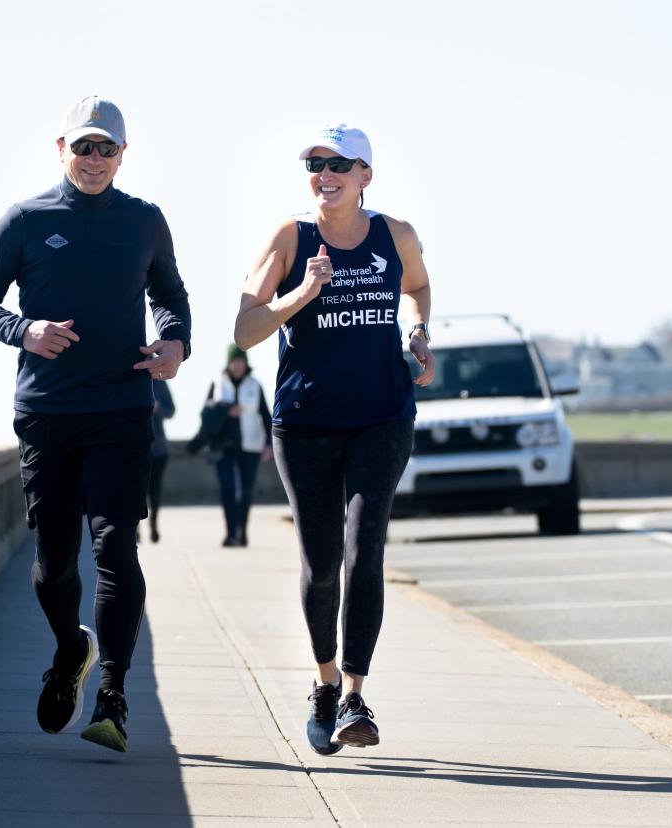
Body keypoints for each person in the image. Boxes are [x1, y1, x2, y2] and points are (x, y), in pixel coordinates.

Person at [0, 96, 192, 753]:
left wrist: (175, 343)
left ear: (123, 154)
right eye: (83, 147)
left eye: (106, 148)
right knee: (53, 566)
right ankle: (70, 653)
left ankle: (113, 696)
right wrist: (24, 330)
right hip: (48, 415)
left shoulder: (143, 221)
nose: (94, 159)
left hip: (121, 410)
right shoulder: (26, 221)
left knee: (117, 550)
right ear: (60, 149)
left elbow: (170, 296)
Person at [233, 124, 435, 755]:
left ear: (365, 175)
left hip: (382, 415)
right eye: (316, 165)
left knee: (363, 549)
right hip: (306, 423)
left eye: (339, 164)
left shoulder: (394, 235)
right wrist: (303, 291)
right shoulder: (291, 238)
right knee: (322, 566)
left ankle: (354, 694)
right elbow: (245, 330)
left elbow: (419, 287)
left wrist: (420, 333)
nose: (325, 174)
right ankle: (323, 683)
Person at [203, 345, 273, 547]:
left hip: (249, 445)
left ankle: (242, 530)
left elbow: (266, 416)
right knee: (227, 488)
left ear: (245, 363)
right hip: (223, 445)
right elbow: (206, 414)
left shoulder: (254, 385)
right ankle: (230, 532)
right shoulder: (217, 383)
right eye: (233, 361)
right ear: (228, 363)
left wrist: (269, 444)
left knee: (246, 490)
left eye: (240, 361)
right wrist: (226, 411)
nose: (237, 366)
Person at [147, 379, 174, 543]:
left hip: (158, 449)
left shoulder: (160, 380)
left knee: (154, 491)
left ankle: (154, 525)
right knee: (135, 492)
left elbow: (171, 410)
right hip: (132, 447)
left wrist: (158, 408)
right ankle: (135, 529)